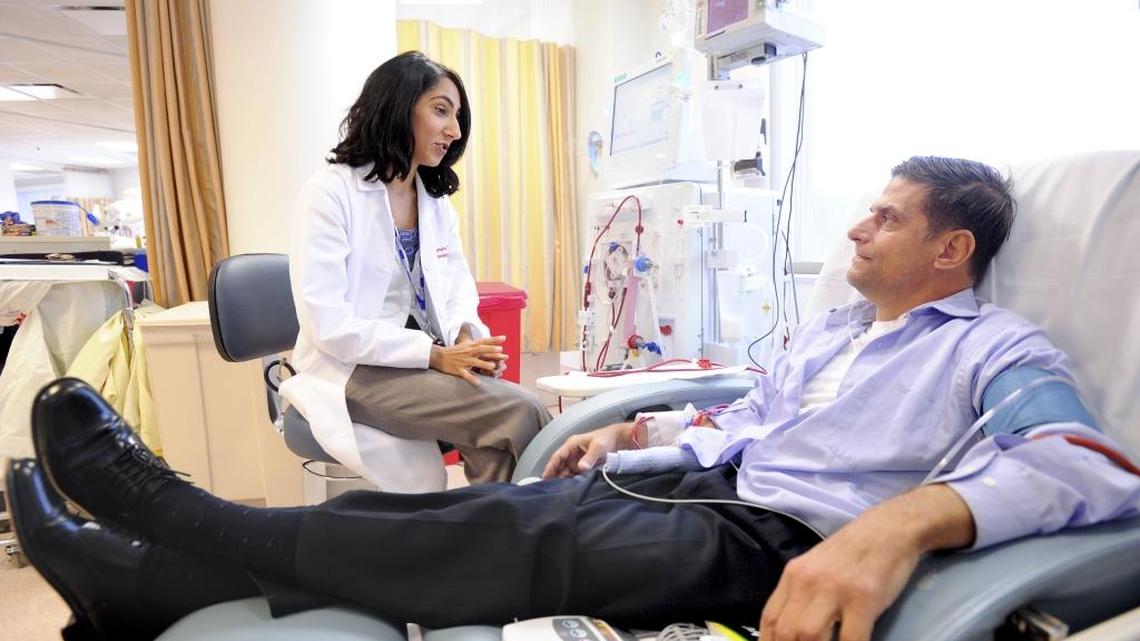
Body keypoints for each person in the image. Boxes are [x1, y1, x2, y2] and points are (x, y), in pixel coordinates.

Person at [9, 157, 1140, 641]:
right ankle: (146, 580)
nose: (855, 225)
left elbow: (1086, 458)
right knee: (444, 514)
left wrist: (900, 525)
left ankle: (171, 522)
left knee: (511, 517)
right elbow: (748, 424)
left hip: (778, 538)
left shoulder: (996, 345)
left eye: (887, 217)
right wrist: (646, 436)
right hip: (718, 485)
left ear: (952, 249)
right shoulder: (834, 333)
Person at [287, 51, 550, 485]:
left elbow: (456, 287)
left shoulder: (435, 202)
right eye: (441, 110)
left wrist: (467, 336)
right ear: (396, 106)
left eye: (458, 116)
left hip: (417, 363)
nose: (455, 130)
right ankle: (520, 537)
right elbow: (328, 324)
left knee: (500, 427)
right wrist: (435, 355)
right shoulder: (330, 194)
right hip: (350, 371)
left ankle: (493, 540)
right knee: (519, 412)